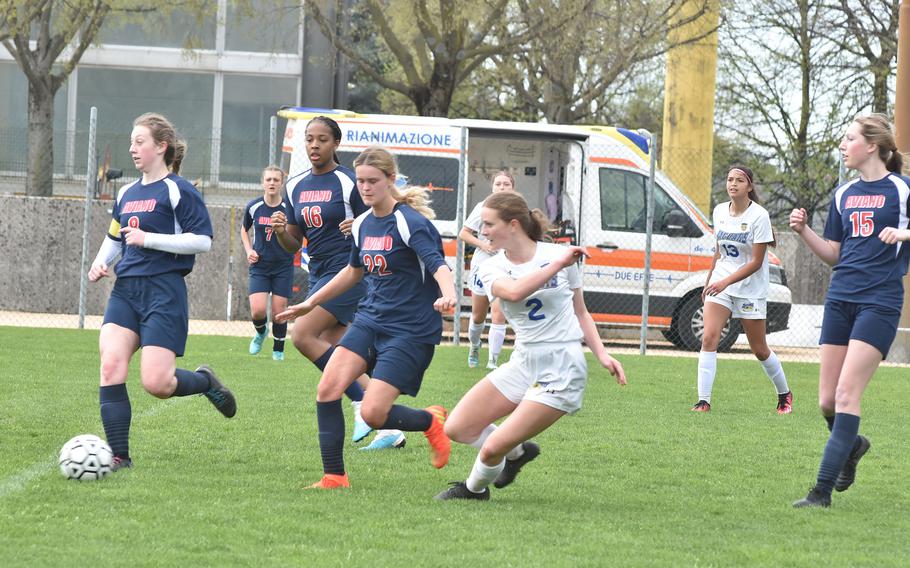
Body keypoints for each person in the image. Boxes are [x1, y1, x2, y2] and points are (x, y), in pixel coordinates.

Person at [276, 145, 458, 489]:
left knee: (374, 414)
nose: (365, 187)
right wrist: (309, 304)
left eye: (373, 180)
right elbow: (352, 272)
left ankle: (430, 421)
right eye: (360, 181)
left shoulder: (409, 222)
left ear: (391, 179)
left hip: (409, 330)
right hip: (370, 321)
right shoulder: (360, 224)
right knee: (328, 388)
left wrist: (448, 294)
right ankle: (334, 476)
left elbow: (438, 265)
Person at [435, 192, 626, 501]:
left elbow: (581, 311)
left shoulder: (557, 255)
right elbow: (511, 293)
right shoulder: (491, 266)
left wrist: (603, 354)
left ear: (513, 225)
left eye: (488, 224)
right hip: (524, 360)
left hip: (562, 365)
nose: (482, 232)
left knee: (492, 447)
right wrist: (559, 263)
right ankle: (518, 454)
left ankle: (473, 490)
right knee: (458, 427)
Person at [87, 112, 236, 471]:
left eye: (140, 142)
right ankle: (119, 457)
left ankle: (204, 382)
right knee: (110, 365)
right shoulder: (126, 193)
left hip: (163, 292)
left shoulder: (178, 189)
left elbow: (201, 240)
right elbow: (115, 237)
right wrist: (100, 262)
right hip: (126, 291)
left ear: (161, 146)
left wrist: (148, 239)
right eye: (132, 142)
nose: (133, 148)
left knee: (157, 382)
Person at [790, 114, 910, 508]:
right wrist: (804, 232)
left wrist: (904, 233)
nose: (843, 145)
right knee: (826, 401)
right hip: (840, 298)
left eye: (849, 138)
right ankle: (853, 445)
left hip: (879, 302)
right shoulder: (842, 194)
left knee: (846, 394)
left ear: (871, 145)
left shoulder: (901, 189)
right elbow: (835, 254)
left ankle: (820, 492)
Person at [270, 116, 403, 448]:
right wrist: (280, 232)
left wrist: (358, 225)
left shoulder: (349, 181)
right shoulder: (295, 186)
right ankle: (389, 426)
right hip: (319, 273)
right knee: (344, 350)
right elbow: (293, 243)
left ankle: (360, 405)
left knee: (302, 335)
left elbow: (381, 216)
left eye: (322, 139)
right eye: (310, 139)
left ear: (336, 144)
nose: (315, 145)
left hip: (349, 271)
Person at [690, 166, 793, 414]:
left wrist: (725, 282)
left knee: (758, 349)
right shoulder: (719, 211)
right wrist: (710, 280)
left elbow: (756, 262)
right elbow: (719, 250)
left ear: (749, 186)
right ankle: (703, 401)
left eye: (739, 180)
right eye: (729, 179)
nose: (732, 184)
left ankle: (784, 394)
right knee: (708, 337)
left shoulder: (759, 216)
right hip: (721, 283)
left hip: (750, 288)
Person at [459, 171, 516, 369]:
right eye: (498, 183)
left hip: (504, 266)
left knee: (499, 311)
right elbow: (464, 234)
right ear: (492, 187)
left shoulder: (517, 210)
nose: (502, 187)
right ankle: (475, 345)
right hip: (482, 265)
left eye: (506, 184)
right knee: (478, 316)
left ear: (512, 187)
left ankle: (493, 361)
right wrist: (484, 245)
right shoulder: (483, 207)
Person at [241, 166, 295, 361]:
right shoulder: (254, 206)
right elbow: (243, 230)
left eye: (276, 180)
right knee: (258, 310)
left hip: (283, 265)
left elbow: (295, 235)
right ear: (262, 182)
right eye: (268, 179)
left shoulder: (289, 209)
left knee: (279, 311)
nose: (272, 183)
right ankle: (261, 332)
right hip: (260, 266)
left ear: (281, 183)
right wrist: (249, 251)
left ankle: (278, 351)